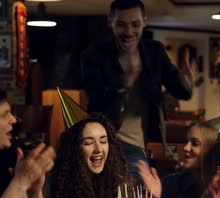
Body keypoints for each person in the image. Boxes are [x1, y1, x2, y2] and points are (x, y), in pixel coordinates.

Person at [80, 0, 195, 183]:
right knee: (135, 195)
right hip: (110, 142)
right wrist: (124, 85)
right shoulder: (94, 56)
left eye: (135, 24)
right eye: (121, 25)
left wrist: (187, 82)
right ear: (111, 21)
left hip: (149, 144)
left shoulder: (154, 52)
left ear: (145, 22)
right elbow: (96, 102)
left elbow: (181, 91)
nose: (129, 32)